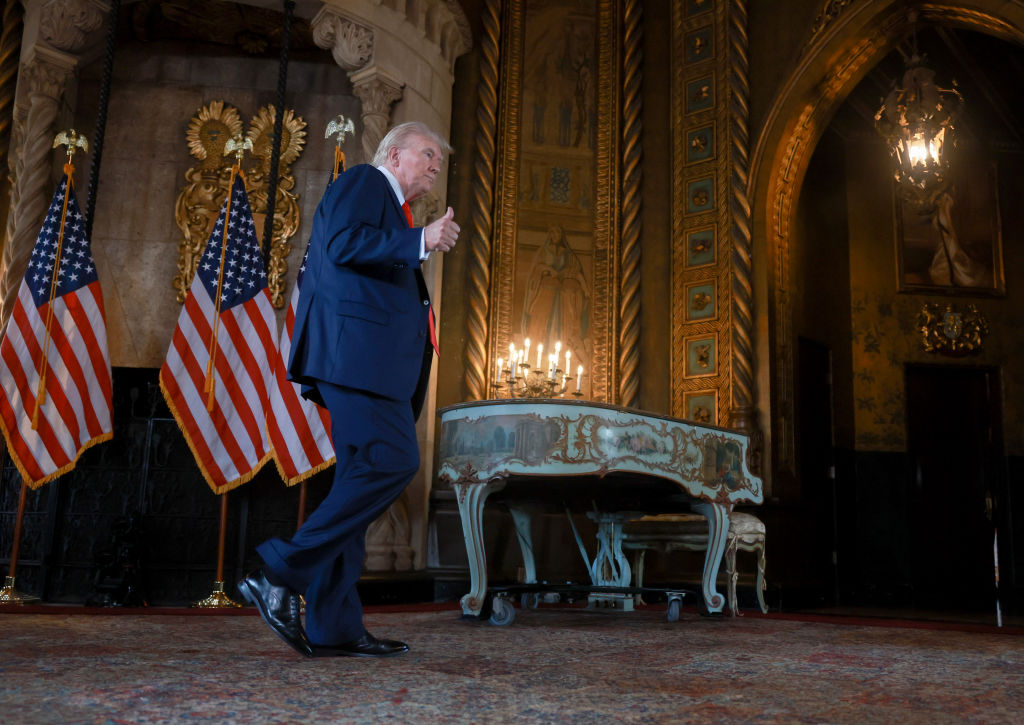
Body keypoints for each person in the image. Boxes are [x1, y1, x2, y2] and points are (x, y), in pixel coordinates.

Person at [238, 122, 459, 658]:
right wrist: (419, 241)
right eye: (428, 153)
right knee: (395, 460)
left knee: (359, 485)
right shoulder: (364, 181)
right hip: (356, 362)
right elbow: (341, 245)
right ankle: (278, 572)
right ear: (395, 153)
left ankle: (334, 626)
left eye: (439, 159)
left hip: (372, 367)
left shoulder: (394, 207)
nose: (435, 165)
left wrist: (415, 242)